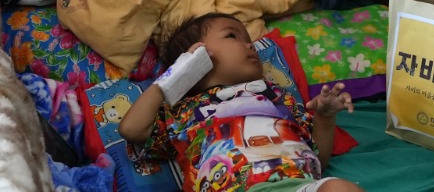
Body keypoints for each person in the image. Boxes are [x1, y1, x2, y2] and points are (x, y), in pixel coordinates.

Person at [118, 12, 364, 192]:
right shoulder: (185, 111)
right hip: (229, 187)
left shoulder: (280, 99)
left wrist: (325, 117)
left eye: (248, 38)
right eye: (232, 35)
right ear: (196, 56)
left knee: (341, 188)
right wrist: (174, 77)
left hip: (297, 185)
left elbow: (319, 160)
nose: (250, 44)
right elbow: (131, 129)